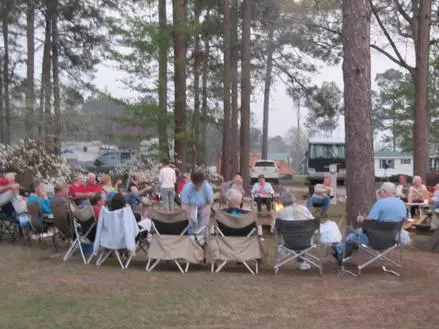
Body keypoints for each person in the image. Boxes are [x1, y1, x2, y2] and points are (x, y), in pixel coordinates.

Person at [332, 182, 407, 263]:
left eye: (380, 192)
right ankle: (339, 250)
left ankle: (339, 251)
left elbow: (369, 223)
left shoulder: (381, 203)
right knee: (354, 235)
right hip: (392, 240)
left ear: (384, 192)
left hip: (374, 240)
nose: (379, 194)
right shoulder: (402, 204)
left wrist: (361, 219)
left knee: (352, 235)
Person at [271, 191, 315, 271]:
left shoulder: (280, 213)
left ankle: (285, 258)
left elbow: (273, 229)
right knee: (301, 233)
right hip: (306, 241)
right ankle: (302, 262)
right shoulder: (304, 209)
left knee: (293, 235)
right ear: (294, 200)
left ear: (282, 202)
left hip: (287, 242)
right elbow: (313, 224)